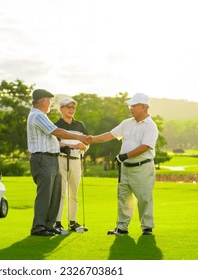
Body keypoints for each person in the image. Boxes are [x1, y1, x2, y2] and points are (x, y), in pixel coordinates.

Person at [91, 93, 158, 236]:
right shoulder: (126, 123)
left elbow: (145, 146)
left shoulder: (151, 126)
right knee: (123, 197)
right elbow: (110, 135)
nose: (130, 108)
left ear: (143, 107)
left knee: (144, 198)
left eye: (133, 106)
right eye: (130, 105)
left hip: (142, 167)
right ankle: (122, 227)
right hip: (125, 167)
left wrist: (124, 155)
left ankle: (147, 228)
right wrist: (91, 139)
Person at [27, 89, 92, 237]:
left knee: (54, 194)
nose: (50, 103)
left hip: (51, 158)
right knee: (45, 194)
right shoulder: (37, 115)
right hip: (43, 158)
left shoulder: (42, 115)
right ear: (43, 100)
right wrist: (80, 139)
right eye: (49, 100)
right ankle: (38, 227)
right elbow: (57, 132)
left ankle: (49, 226)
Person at [54, 97, 89, 232]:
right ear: (61, 109)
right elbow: (54, 143)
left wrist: (84, 147)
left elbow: (87, 141)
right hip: (61, 159)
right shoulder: (55, 125)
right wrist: (69, 145)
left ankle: (72, 222)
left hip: (76, 160)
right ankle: (57, 223)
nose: (71, 110)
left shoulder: (80, 125)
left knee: (74, 193)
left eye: (73, 107)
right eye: (68, 107)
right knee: (61, 192)